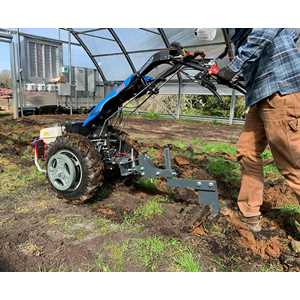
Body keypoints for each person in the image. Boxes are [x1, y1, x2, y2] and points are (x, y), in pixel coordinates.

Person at [217, 28, 300, 232]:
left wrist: (234, 67)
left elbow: (265, 30)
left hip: (280, 91)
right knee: (247, 151)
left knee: (292, 165)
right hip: (260, 96)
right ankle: (250, 215)